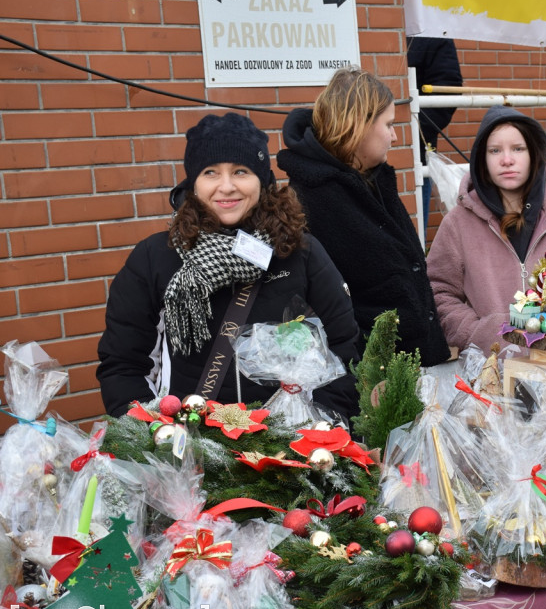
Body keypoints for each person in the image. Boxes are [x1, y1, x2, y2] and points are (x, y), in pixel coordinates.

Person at [97, 113, 361, 418]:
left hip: (286, 450)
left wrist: (323, 427)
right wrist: (153, 435)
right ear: (194, 183)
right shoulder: (155, 258)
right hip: (189, 445)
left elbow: (343, 350)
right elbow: (124, 364)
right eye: (210, 172)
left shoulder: (300, 252)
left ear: (262, 181)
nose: (226, 187)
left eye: (240, 171)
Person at [277, 67, 451, 366]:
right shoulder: (312, 198)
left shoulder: (372, 179)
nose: (395, 136)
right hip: (370, 379)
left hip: (407, 366)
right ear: (359, 125)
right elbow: (322, 305)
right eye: (389, 125)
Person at [427, 105, 546, 352]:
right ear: (482, 160)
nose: (507, 160)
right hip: (492, 373)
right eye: (495, 150)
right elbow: (438, 293)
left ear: (533, 155)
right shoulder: (458, 223)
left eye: (518, 149)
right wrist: (479, 332)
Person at [407, 36, 463, 214]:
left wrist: (406, 131)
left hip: (414, 152)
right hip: (361, 156)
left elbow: (445, 94)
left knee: (412, 232)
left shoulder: (431, 30)